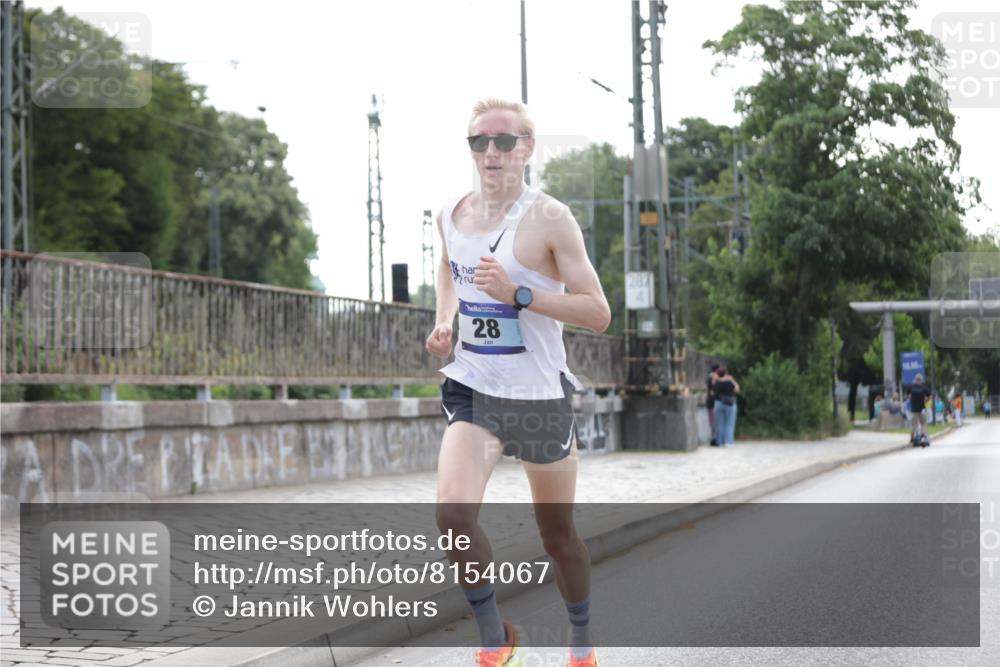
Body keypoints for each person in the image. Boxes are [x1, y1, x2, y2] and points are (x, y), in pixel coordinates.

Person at [425, 98, 611, 667]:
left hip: (538, 396)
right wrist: (445, 320)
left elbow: (598, 313)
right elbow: (448, 268)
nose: (492, 153)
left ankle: (581, 644)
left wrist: (519, 294)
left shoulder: (551, 218)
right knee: (453, 517)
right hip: (475, 386)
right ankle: (495, 641)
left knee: (558, 538)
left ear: (528, 149)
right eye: (480, 141)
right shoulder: (450, 212)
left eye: (505, 142)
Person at [712, 367, 740, 447]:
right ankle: (728, 442)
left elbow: (713, 387)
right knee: (729, 423)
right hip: (730, 404)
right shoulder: (729, 382)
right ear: (725, 373)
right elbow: (737, 388)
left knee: (719, 424)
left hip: (718, 403)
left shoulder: (717, 383)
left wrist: (715, 378)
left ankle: (720, 442)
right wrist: (731, 379)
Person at [907, 374, 931, 444]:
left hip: (914, 408)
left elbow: (908, 395)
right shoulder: (924, 387)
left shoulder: (911, 387)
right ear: (921, 380)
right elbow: (929, 396)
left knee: (914, 424)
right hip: (922, 408)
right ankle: (923, 435)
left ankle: (913, 437)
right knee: (923, 423)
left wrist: (912, 400)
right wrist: (925, 400)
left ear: (915, 379)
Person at [707, 364, 719, 446]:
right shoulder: (713, 378)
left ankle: (713, 438)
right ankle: (714, 439)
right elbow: (712, 391)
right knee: (715, 421)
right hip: (713, 402)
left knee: (712, 422)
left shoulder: (709, 377)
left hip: (710, 402)